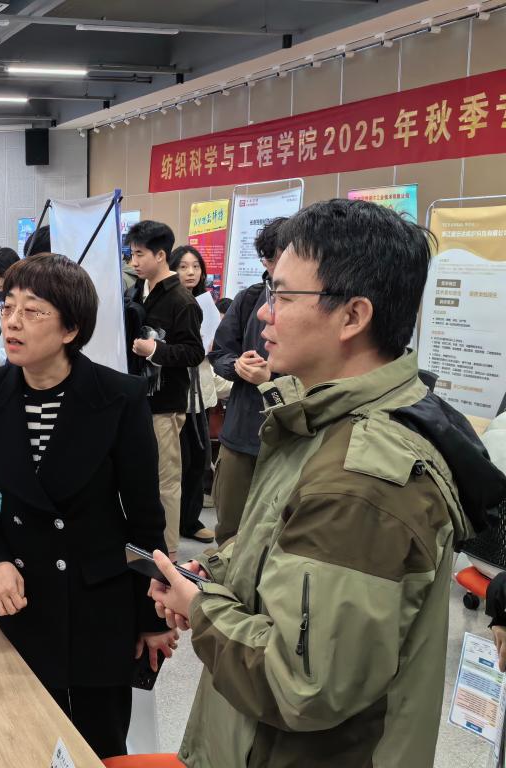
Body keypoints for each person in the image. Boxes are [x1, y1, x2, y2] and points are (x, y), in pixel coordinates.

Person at [147, 198, 506, 768]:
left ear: (353, 316)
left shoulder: (361, 477)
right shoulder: (328, 422)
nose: (265, 314)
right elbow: (286, 546)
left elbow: (300, 683)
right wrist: (216, 572)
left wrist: (204, 608)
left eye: (284, 296)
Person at [0, 253, 176, 759]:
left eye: (33, 311)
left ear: (70, 329)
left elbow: (145, 515)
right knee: (26, 739)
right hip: (22, 594)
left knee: (100, 744)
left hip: (98, 598)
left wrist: (151, 616)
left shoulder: (119, 395)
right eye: (8, 306)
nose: (12, 322)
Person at [125, 220, 205, 560]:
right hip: (135, 398)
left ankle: (168, 551)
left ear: (160, 255)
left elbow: (194, 352)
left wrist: (154, 350)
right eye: (132, 254)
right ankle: (141, 544)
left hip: (164, 404)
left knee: (165, 480)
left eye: (140, 254)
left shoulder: (181, 300)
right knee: (137, 477)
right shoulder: (137, 291)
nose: (134, 262)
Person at [207, 217, 287, 545]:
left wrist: (272, 378)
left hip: (288, 436)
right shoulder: (249, 299)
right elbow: (219, 352)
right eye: (274, 258)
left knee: (278, 532)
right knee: (230, 527)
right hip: (241, 431)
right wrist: (237, 365)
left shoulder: (316, 304)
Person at [168, 245, 216, 544]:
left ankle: (190, 520)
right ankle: (172, 521)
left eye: (196, 266)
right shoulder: (169, 303)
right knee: (178, 463)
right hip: (175, 396)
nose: (190, 272)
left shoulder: (205, 304)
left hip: (201, 394)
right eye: (183, 266)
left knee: (198, 461)